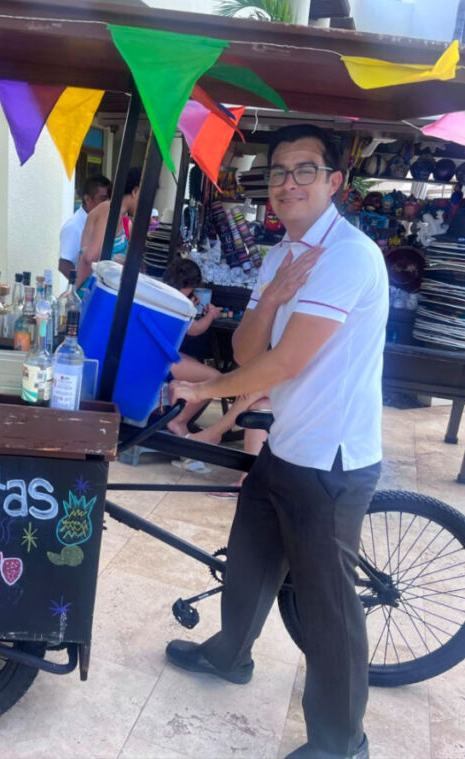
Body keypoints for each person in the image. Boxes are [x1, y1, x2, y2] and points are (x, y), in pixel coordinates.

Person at [164, 124, 388, 759]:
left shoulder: (350, 255)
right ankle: (229, 654)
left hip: (331, 461)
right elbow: (245, 348)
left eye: (305, 171)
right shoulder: (277, 254)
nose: (289, 183)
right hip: (287, 444)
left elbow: (284, 363)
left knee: (326, 608)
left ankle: (342, 742)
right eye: (280, 171)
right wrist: (272, 298)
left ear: (334, 182)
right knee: (250, 555)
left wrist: (205, 396)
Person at [161, 257, 270, 482]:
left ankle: (207, 430)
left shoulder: (163, 294)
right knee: (214, 379)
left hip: (161, 352)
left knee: (211, 373)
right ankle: (179, 421)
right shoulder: (177, 301)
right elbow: (196, 330)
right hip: (161, 358)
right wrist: (210, 314)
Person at [75, 167, 141, 293]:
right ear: (135, 191)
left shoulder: (124, 221)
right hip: (91, 291)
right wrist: (73, 291)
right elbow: (89, 257)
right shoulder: (108, 211)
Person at [59, 174, 111, 277]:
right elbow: (64, 264)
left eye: (109, 199)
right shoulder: (73, 226)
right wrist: (83, 285)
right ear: (87, 199)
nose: (107, 203)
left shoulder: (104, 221)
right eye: (103, 199)